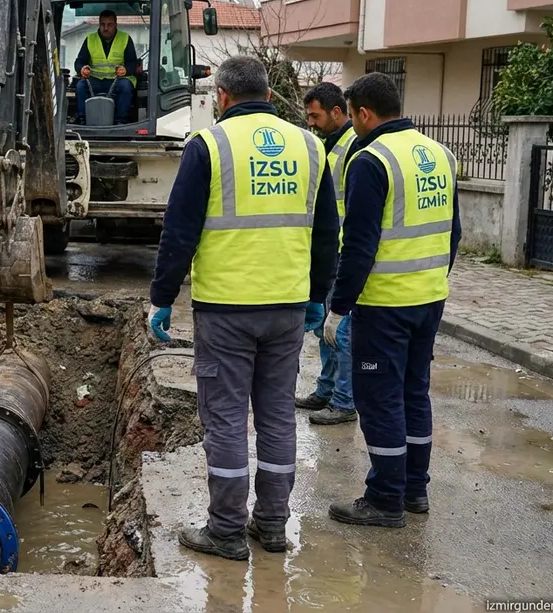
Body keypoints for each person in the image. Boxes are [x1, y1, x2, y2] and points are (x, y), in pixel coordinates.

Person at [148, 55, 339, 560]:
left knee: (228, 418)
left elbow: (179, 232)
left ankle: (227, 531)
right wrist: (320, 296)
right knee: (277, 415)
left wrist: (162, 298)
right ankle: (273, 525)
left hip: (226, 309)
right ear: (271, 98)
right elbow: (327, 235)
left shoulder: (208, 145)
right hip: (288, 308)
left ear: (222, 98)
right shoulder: (310, 146)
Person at [326, 72, 460, 527]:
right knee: (414, 391)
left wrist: (339, 306)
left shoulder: (370, 160)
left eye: (355, 117)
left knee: (380, 398)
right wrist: (433, 279)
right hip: (429, 297)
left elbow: (359, 245)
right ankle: (414, 490)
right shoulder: (440, 153)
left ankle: (385, 498)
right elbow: (453, 232)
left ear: (363, 113)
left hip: (384, 304)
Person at [296, 82, 360, 426]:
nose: (311, 122)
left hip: (344, 253)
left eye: (315, 115)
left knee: (342, 330)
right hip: (331, 252)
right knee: (326, 329)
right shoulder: (329, 145)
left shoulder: (353, 147)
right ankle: (326, 390)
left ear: (337, 112)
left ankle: (344, 400)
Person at [73, 10, 139, 125]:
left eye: (109, 25)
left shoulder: (125, 39)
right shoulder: (90, 39)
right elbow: (80, 61)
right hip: (95, 80)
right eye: (103, 24)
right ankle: (83, 119)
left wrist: (126, 70)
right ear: (99, 24)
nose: (106, 28)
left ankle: (120, 121)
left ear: (115, 25)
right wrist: (82, 69)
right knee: (80, 86)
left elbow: (133, 62)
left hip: (117, 80)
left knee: (126, 86)